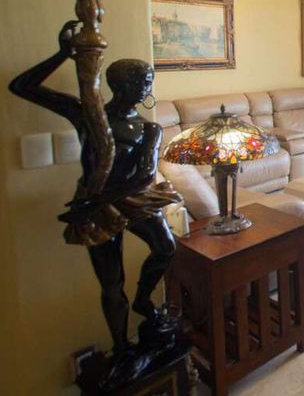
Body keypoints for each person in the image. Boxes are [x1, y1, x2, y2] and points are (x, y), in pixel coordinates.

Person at [9, 21, 181, 363]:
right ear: (121, 85)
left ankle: (143, 299)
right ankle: (121, 349)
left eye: (149, 81)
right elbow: (22, 86)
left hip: (128, 198)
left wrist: (94, 201)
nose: (147, 87)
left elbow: (144, 176)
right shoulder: (89, 115)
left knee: (166, 247)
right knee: (111, 282)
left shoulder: (149, 128)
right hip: (97, 207)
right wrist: (62, 54)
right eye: (142, 81)